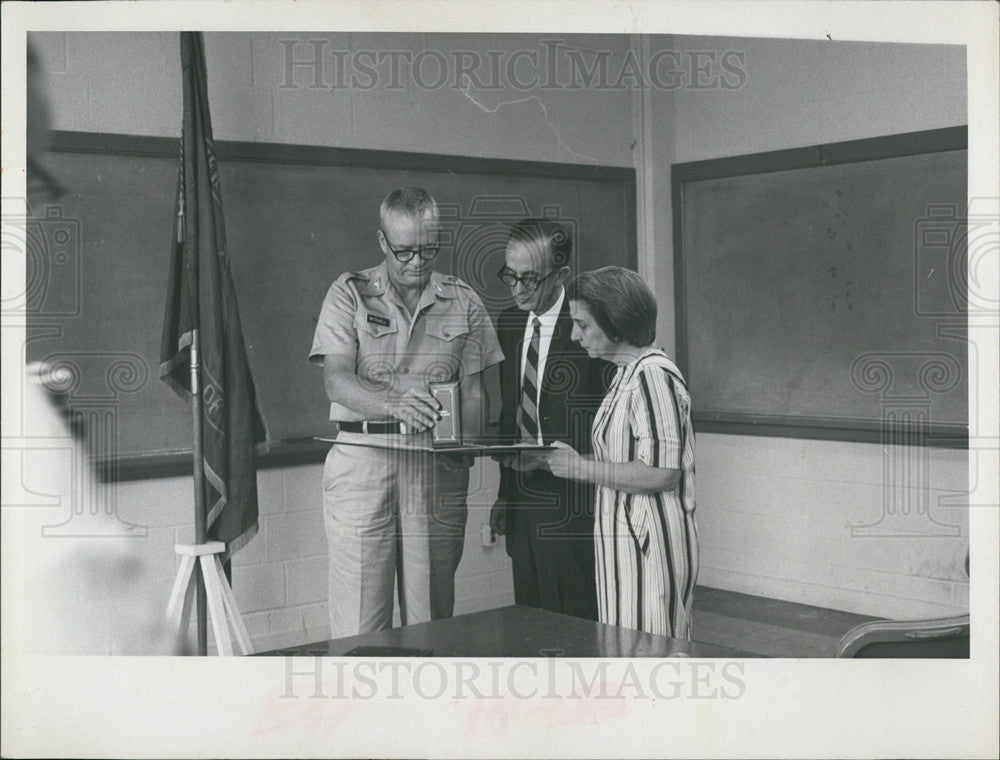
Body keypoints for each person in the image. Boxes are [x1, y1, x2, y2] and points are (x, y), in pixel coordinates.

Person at [309, 186, 504, 638]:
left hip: (434, 466)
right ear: (382, 242)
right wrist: (393, 403)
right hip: (364, 461)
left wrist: (466, 446)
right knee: (360, 623)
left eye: (429, 249)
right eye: (405, 252)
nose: (417, 262)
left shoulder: (464, 300)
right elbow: (336, 379)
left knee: (431, 618)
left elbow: (476, 391)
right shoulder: (350, 294)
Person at [537, 266, 698, 639]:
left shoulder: (653, 375)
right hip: (622, 544)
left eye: (583, 325)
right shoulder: (625, 376)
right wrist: (558, 461)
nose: (574, 336)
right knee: (626, 655)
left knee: (653, 660)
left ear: (616, 323)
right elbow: (624, 458)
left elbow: (662, 472)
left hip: (649, 547)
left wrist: (580, 469)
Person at [489, 219, 611, 620]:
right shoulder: (508, 324)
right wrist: (505, 495)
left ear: (561, 275)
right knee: (530, 625)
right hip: (524, 500)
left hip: (577, 504)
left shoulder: (591, 327)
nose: (518, 289)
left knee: (576, 630)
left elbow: (614, 420)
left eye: (530, 278)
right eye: (511, 276)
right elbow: (512, 413)